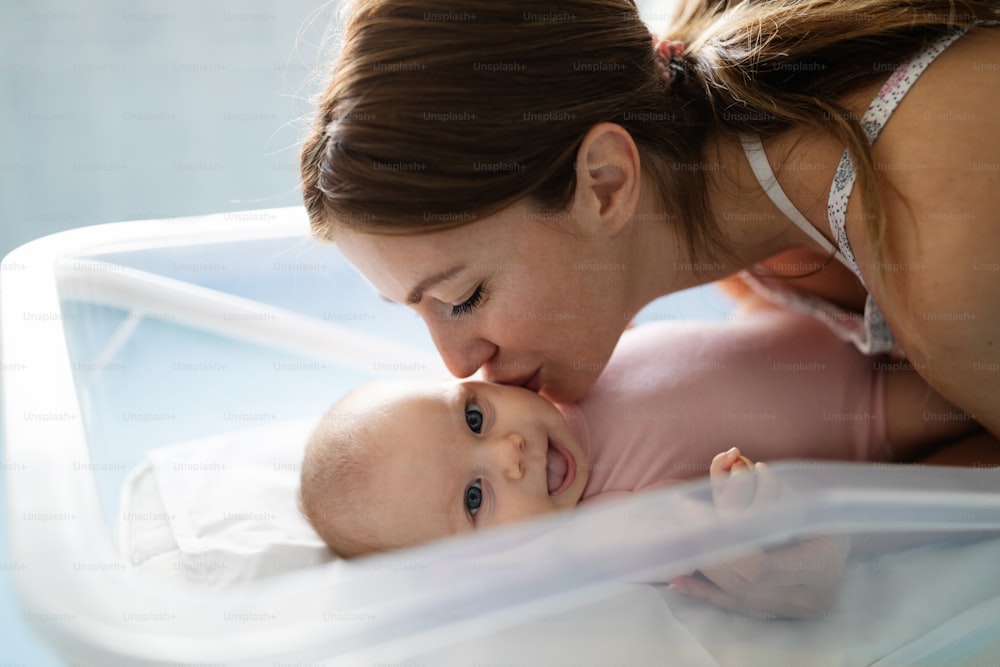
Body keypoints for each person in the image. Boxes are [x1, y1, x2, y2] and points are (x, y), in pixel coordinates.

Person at [299, 0, 1000, 438]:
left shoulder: (944, 259)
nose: (456, 364)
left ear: (605, 183)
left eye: (464, 296)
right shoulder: (705, 140)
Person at [299, 309, 976, 615]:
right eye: (475, 499)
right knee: (970, 385)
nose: (510, 452)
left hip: (843, 319)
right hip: (874, 413)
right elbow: (692, 532)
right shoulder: (597, 525)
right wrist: (733, 507)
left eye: (474, 417)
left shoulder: (553, 374)